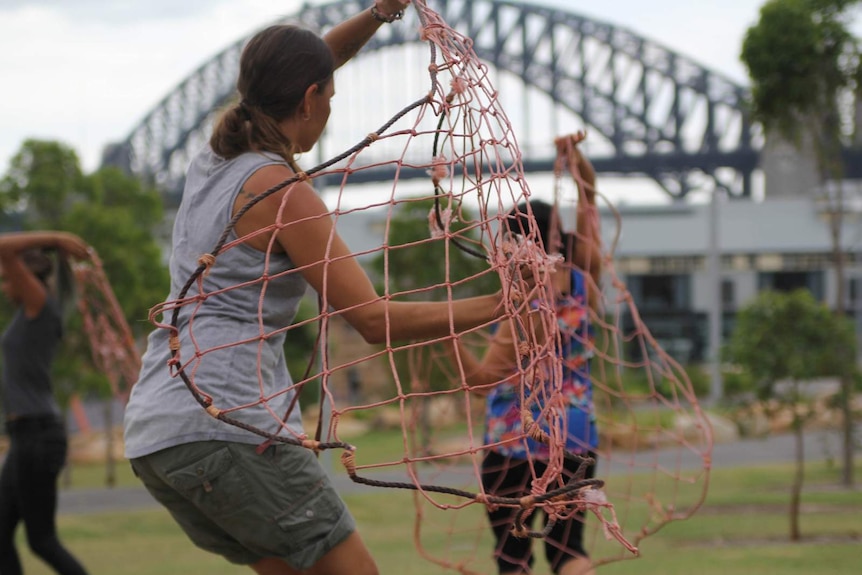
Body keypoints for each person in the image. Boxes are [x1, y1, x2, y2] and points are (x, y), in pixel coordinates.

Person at [122, 3, 535, 575]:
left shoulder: (213, 162)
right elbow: (372, 320)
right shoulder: (282, 190)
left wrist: (377, 15)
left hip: (159, 429)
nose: (330, 115)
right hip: (231, 425)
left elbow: (312, 63)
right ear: (310, 99)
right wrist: (500, 302)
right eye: (330, 101)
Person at [448, 134, 602, 575]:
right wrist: (576, 164)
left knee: (513, 557)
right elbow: (588, 205)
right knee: (569, 550)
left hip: (513, 441)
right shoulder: (582, 285)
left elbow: (480, 381)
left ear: (512, 245)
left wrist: (447, 331)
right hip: (575, 433)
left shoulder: (519, 308)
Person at [0, 231, 91, 575]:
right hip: (27, 435)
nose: (3, 286)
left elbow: (3, 247)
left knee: (42, 540)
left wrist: (55, 238)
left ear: (28, 279)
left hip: (37, 435)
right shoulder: (31, 312)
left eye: (7, 278)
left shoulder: (40, 303)